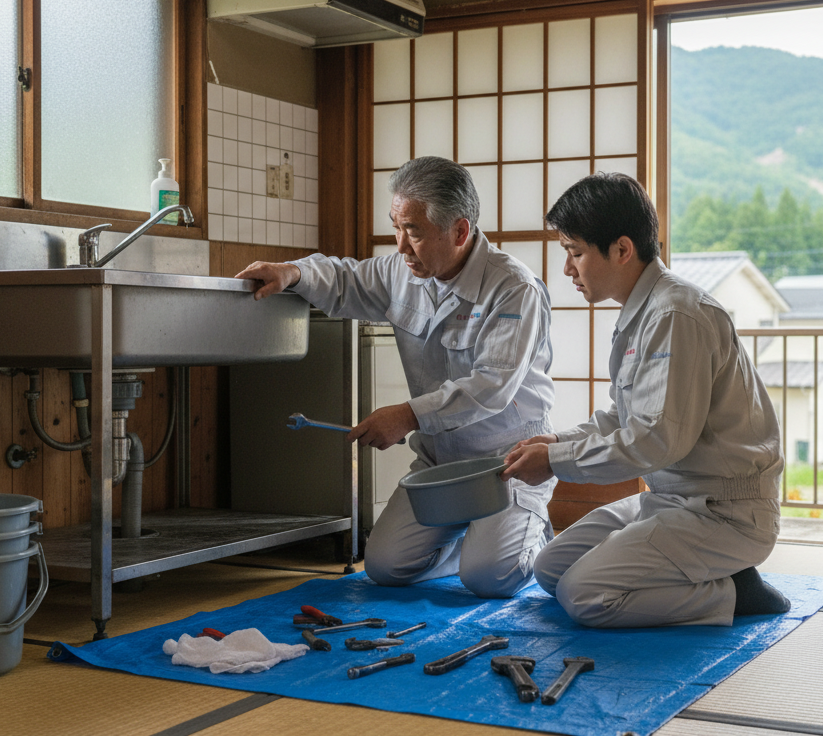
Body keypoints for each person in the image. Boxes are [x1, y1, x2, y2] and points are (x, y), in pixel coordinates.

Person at [236, 156, 557, 599]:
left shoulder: (513, 287)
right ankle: (471, 547)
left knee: (490, 579)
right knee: (386, 567)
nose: (401, 246)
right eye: (396, 228)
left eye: (414, 232)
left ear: (459, 232)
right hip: (440, 462)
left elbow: (491, 386)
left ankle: (524, 536)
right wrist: (293, 272)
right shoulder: (400, 271)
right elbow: (345, 278)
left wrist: (407, 415)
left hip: (508, 463)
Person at [502, 172, 790, 628]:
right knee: (550, 569)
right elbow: (623, 416)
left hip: (725, 512)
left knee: (585, 595)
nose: (568, 269)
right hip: (671, 498)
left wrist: (555, 461)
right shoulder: (644, 311)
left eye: (575, 253)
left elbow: (656, 440)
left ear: (621, 249)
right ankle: (706, 576)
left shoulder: (676, 313)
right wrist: (557, 441)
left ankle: (734, 592)